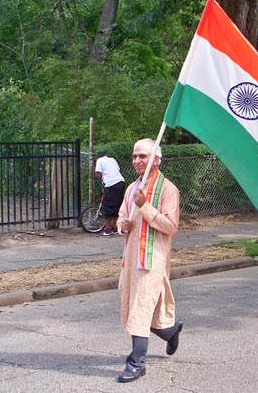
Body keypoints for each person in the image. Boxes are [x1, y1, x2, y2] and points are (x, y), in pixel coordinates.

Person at [116, 138, 182, 383]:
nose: (136, 161)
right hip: (130, 260)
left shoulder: (168, 189)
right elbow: (122, 218)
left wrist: (145, 207)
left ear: (156, 159)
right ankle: (171, 330)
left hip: (152, 259)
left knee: (141, 307)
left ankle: (136, 363)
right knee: (138, 307)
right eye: (134, 156)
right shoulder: (131, 188)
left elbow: (170, 226)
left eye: (142, 156)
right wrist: (123, 224)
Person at [95, 152, 125, 236]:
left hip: (111, 184)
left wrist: (101, 178)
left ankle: (107, 229)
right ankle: (115, 228)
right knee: (116, 205)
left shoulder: (99, 160)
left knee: (107, 206)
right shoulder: (112, 159)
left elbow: (98, 174)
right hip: (120, 182)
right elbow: (117, 170)